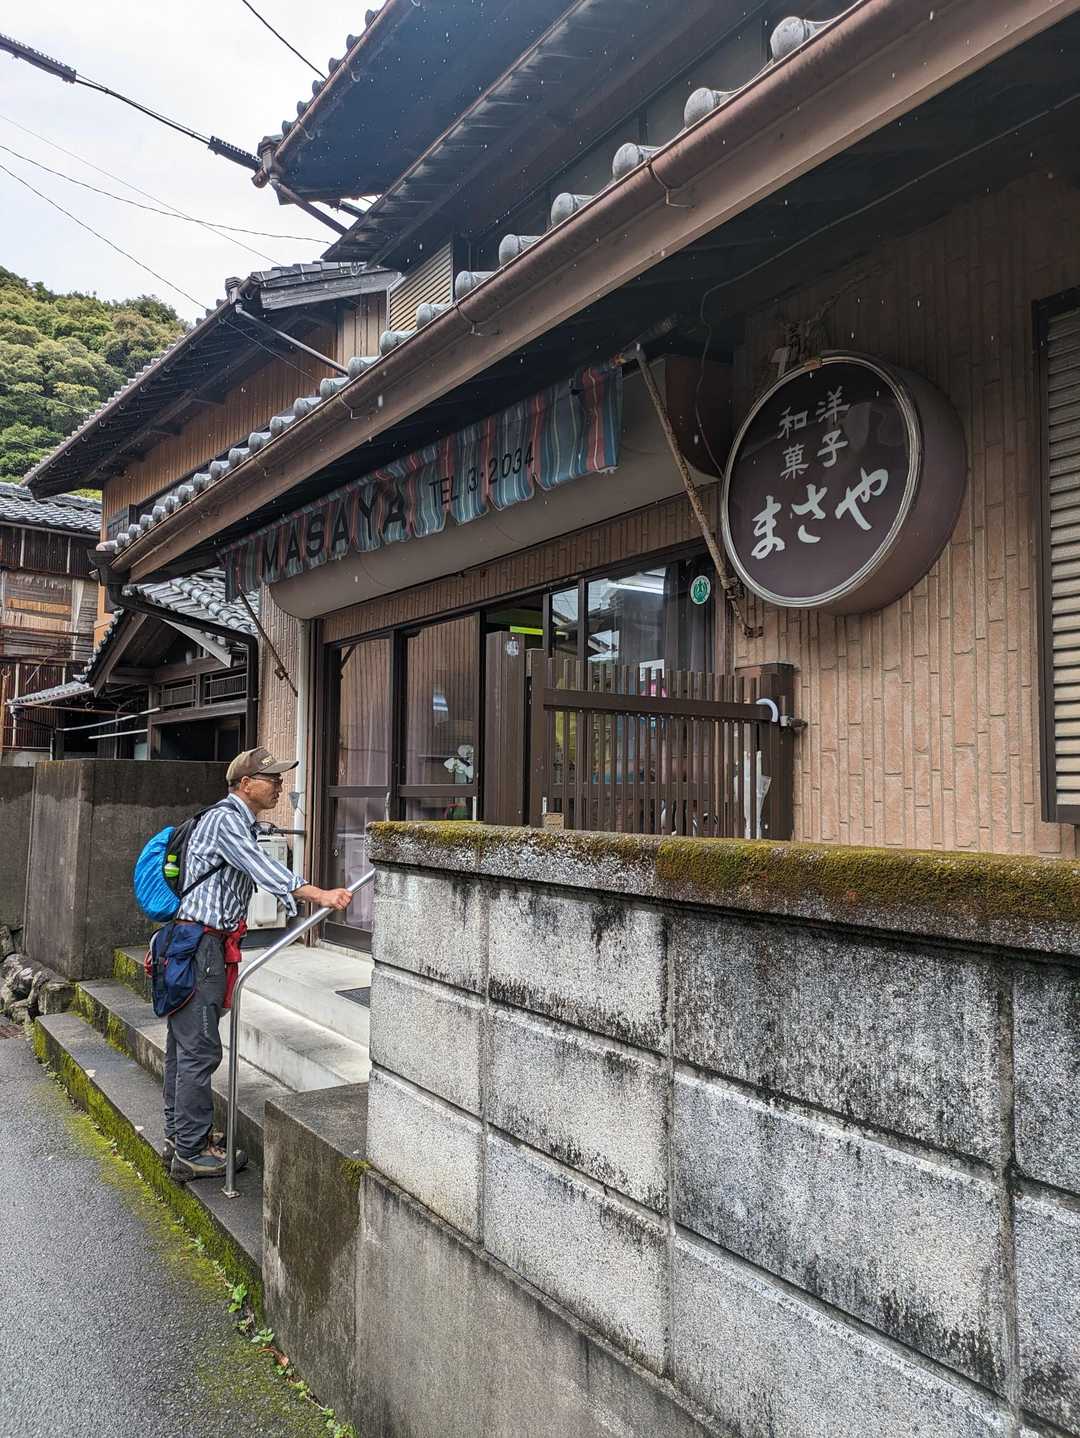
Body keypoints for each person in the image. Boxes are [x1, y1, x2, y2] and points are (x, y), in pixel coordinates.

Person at [164, 746, 352, 1181]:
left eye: (280, 778)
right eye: (272, 779)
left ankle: (182, 1136)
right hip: (199, 947)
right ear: (245, 784)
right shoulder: (226, 820)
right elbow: (262, 867)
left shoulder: (233, 820)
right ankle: (190, 1150)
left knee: (185, 1047)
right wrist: (320, 895)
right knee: (198, 1050)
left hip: (198, 945)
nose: (280, 785)